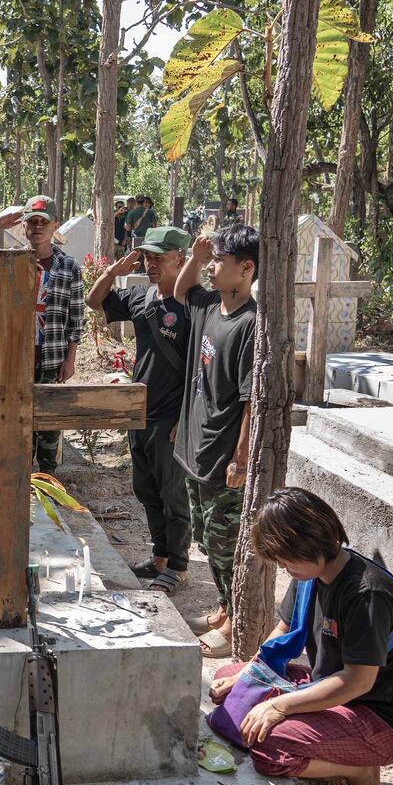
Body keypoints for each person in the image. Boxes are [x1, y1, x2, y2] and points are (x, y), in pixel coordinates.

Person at [210, 487, 393, 785]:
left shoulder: (367, 592)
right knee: (229, 675)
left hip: (379, 717)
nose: (282, 566)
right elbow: (281, 633)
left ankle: (362, 770)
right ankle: (331, 748)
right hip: (330, 689)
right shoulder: (309, 574)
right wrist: (246, 675)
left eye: (286, 558)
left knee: (271, 748)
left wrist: (280, 706)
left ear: (312, 544)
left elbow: (358, 681)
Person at [87, 226, 194, 595]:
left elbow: (200, 369)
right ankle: (160, 556)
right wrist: (111, 273)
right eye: (147, 256)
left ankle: (178, 566)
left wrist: (186, 418)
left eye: (158, 257)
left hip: (171, 415)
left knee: (172, 493)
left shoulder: (194, 304)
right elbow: (93, 301)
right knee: (145, 488)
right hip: (138, 411)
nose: (150, 263)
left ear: (181, 259)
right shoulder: (139, 296)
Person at [172, 223, 258, 658]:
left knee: (225, 546)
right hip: (195, 446)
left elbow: (249, 401)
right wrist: (197, 256)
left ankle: (237, 625)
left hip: (222, 451)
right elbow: (180, 290)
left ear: (246, 269)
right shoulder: (210, 306)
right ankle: (224, 608)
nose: (212, 268)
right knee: (206, 539)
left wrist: (240, 458)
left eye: (220, 261)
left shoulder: (249, 324)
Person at [0, 195, 84, 474]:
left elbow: (75, 320)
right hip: (14, 358)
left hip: (51, 358)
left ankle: (47, 482)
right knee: (16, 422)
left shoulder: (68, 268)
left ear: (55, 226)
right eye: (32, 221)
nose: (37, 227)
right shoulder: (8, 260)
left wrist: (70, 359)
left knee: (48, 423)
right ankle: (19, 484)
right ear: (24, 227)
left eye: (43, 222)